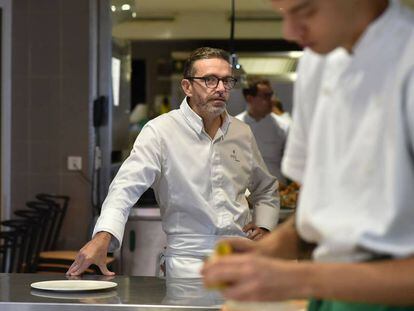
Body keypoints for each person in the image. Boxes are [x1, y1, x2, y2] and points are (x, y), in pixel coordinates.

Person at [202, 0, 414, 309]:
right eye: (283, 12)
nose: (289, 31)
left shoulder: (406, 60)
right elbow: (322, 209)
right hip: (329, 295)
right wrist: (269, 249)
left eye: (306, 10)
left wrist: (298, 279)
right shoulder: (319, 61)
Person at [67, 47, 280, 278]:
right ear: (187, 86)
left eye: (227, 81)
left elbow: (266, 188)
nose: (220, 88)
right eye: (210, 80)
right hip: (187, 263)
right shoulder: (160, 131)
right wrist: (103, 236)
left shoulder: (242, 132)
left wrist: (265, 226)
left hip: (242, 258)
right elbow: (124, 189)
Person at [236, 77, 289, 185]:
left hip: (277, 188)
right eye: (266, 96)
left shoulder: (284, 126)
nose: (272, 100)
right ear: (250, 98)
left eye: (271, 95)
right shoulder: (234, 125)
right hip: (244, 190)